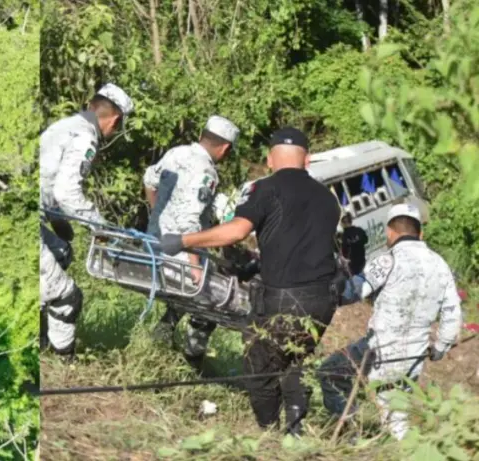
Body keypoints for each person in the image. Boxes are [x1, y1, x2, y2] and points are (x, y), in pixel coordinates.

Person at [160, 127, 341, 435]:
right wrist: (258, 263)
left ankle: (268, 433)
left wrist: (183, 240)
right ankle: (295, 434)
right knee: (293, 358)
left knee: (259, 368)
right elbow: (303, 245)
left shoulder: (265, 188)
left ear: (270, 160)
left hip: (284, 297)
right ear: (307, 160)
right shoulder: (328, 199)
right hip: (323, 300)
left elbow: (237, 231)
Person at [318, 203, 462, 440]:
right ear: (420, 233)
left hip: (379, 352)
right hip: (413, 355)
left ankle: (355, 436)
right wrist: (440, 348)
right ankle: (366, 438)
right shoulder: (440, 265)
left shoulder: (388, 260)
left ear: (389, 232)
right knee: (394, 414)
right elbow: (452, 312)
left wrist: (330, 283)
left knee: (333, 375)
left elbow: (352, 292)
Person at [39, 83, 134, 360]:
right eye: (118, 127)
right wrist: (101, 227)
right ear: (114, 120)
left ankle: (42, 337)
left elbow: (48, 182)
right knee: (69, 297)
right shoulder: (85, 138)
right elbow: (66, 191)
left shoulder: (61, 126)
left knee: (61, 251)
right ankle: (62, 359)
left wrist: (60, 224)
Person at [144, 115, 240, 372]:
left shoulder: (176, 153)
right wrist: (195, 266)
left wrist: (157, 218)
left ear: (202, 135)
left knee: (183, 300)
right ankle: (193, 362)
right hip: (181, 253)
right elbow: (190, 223)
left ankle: (160, 338)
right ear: (226, 148)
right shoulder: (206, 172)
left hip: (155, 243)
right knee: (211, 302)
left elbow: (149, 180)